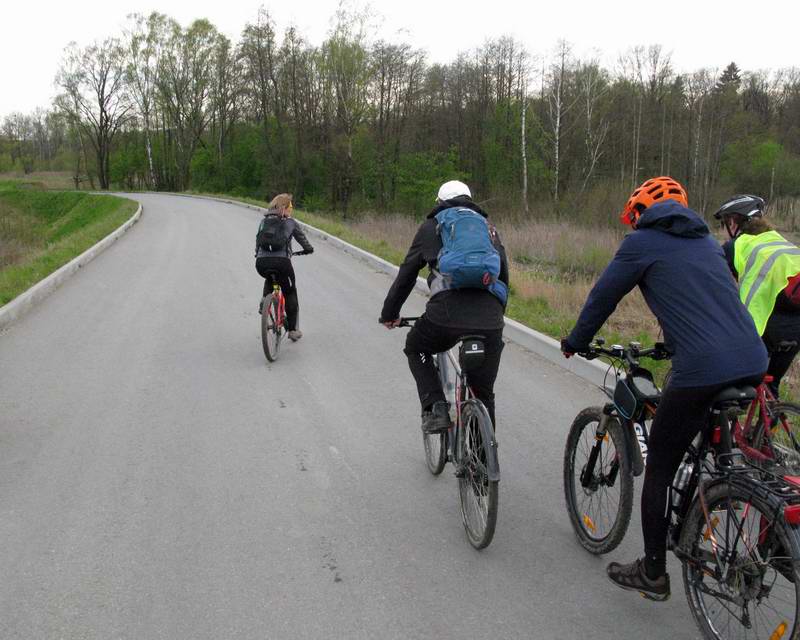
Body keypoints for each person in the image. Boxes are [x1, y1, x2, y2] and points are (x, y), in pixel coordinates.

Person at [561, 176, 768, 601]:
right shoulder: (708, 242)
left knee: (659, 469)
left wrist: (577, 340)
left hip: (703, 367)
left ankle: (653, 572)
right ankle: (717, 495)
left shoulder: (641, 243)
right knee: (702, 436)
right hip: (752, 358)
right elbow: (708, 301)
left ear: (639, 215)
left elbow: (604, 296)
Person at [379, 180, 509, 433]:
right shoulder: (489, 228)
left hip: (445, 316)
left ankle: (436, 407)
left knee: (416, 347)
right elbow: (503, 277)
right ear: (471, 200)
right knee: (484, 393)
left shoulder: (431, 226)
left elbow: (407, 274)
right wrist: (496, 316)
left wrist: (389, 314)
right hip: (490, 317)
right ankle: (484, 463)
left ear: (439, 202)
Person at [714, 194, 800, 397]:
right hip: (796, 326)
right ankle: (767, 425)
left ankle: (722, 424)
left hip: (767, 324)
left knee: (724, 380)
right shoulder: (780, 241)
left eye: (727, 222)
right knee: (770, 387)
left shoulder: (737, 246)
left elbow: (712, 285)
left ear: (734, 221)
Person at [255, 193, 313, 342]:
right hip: (282, 263)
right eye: (291, 206)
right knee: (290, 291)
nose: (291, 210)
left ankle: (264, 300)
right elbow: (303, 241)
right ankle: (293, 330)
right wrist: (308, 249)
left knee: (270, 275)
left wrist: (259, 255)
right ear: (285, 208)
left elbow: (257, 243)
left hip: (261, 263)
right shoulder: (290, 222)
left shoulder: (263, 221)